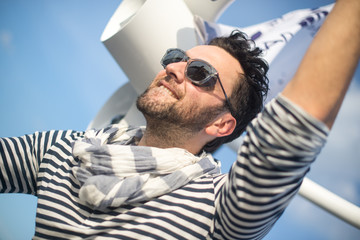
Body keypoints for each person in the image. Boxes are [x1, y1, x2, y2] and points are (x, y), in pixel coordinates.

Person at [1, 0, 359, 239]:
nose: (172, 68)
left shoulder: (218, 211)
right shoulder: (63, 149)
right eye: (175, 57)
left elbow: (288, 136)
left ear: (222, 125)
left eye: (200, 72)